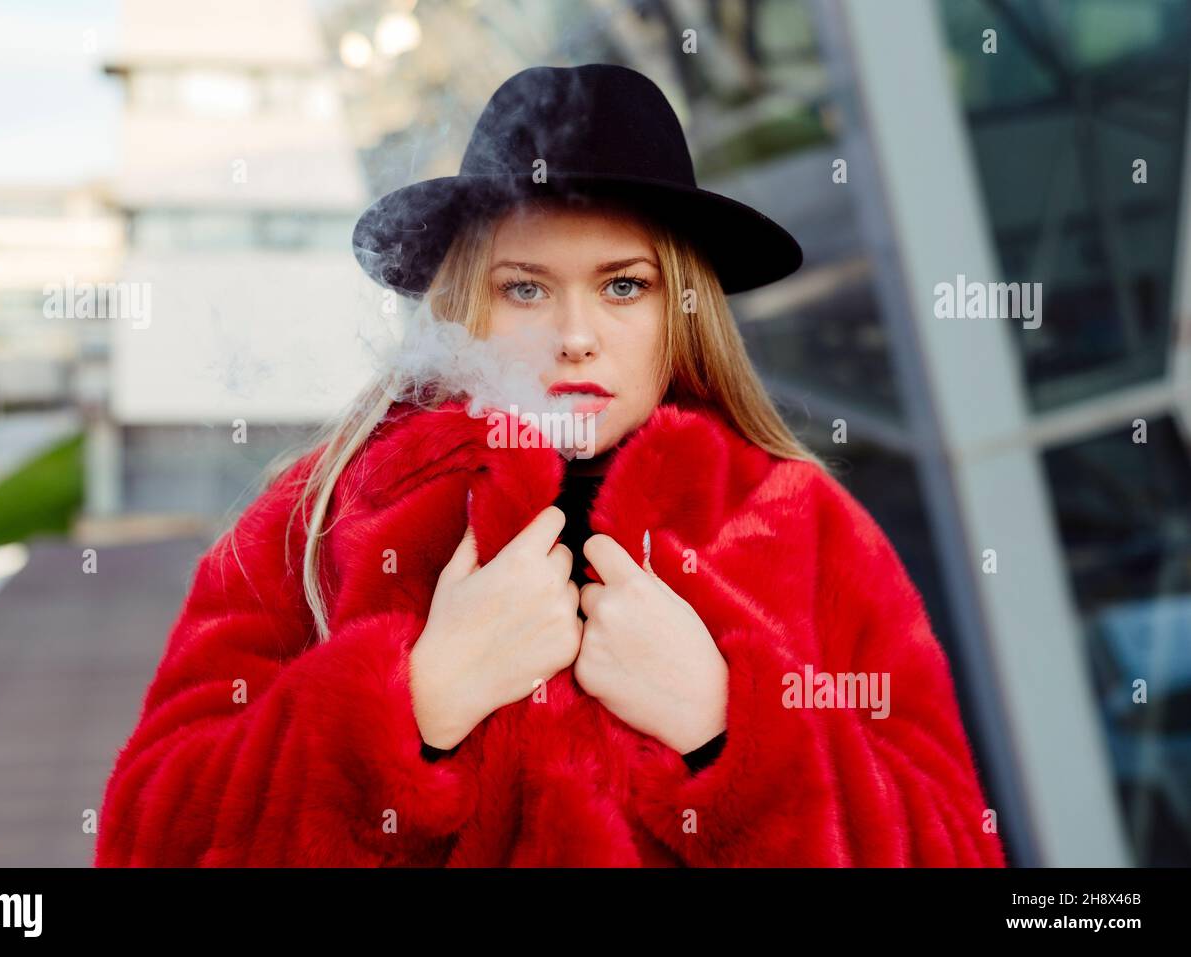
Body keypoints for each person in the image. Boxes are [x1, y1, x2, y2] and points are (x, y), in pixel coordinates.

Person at [95, 64, 1007, 867]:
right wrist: (409, 707)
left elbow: (958, 849)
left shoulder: (804, 526)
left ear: (680, 306)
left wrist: (728, 732)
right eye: (525, 287)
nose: (576, 336)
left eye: (624, 285)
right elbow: (147, 838)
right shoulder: (320, 513)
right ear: (465, 305)